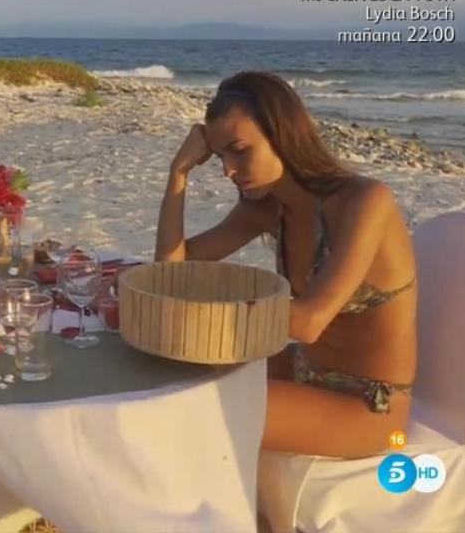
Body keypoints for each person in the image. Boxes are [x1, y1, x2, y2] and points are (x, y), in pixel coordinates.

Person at [154, 71, 417, 458]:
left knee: (193, 411)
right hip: (302, 374)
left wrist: (206, 310)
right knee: (170, 374)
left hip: (369, 405)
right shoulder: (267, 208)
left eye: (240, 150)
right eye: (220, 156)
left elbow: (309, 322)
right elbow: (170, 271)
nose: (228, 169)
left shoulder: (365, 201)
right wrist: (179, 173)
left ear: (284, 136)